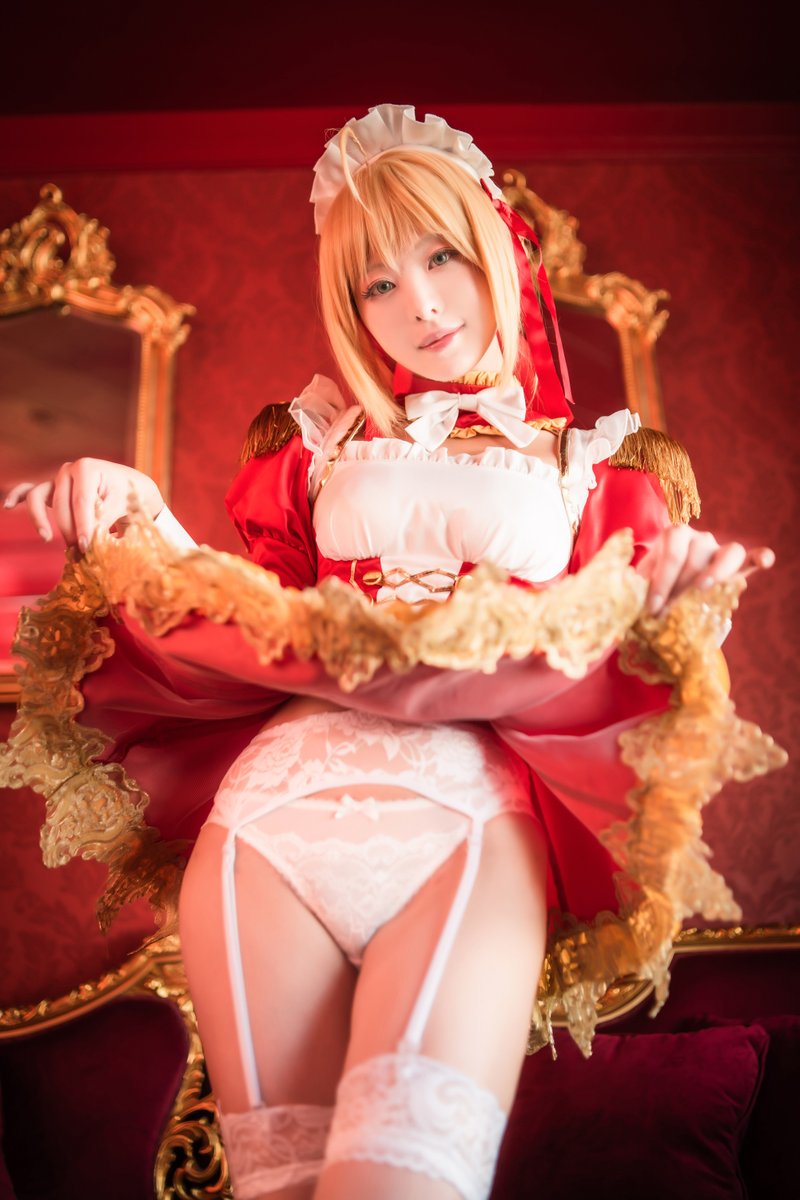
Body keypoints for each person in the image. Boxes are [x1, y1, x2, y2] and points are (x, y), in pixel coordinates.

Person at [2, 104, 781, 1200]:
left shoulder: (599, 467)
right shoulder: (315, 446)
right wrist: (134, 503)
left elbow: (614, 664)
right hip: (268, 823)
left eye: (441, 257)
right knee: (279, 1190)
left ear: (499, 247)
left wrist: (663, 601)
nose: (417, 303)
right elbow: (249, 612)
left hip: (463, 823)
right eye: (377, 282)